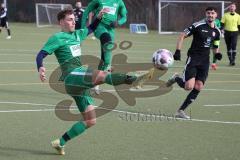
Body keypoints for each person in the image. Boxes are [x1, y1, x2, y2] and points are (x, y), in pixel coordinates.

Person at [36, 8, 152, 155]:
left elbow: (91, 28)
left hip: (77, 84)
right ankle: (134, 80)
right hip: (72, 76)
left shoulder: (78, 34)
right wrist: (40, 67)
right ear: (61, 22)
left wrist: (98, 17)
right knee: (102, 74)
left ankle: (60, 142)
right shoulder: (57, 37)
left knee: (90, 120)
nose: (74, 21)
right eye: (70, 19)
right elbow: (41, 54)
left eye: (74, 19)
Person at [166, 7, 222, 119]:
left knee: (199, 86)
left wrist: (217, 54)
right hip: (194, 58)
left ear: (216, 15)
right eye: (208, 13)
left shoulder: (217, 31)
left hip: (205, 61)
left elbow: (215, 46)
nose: (210, 15)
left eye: (212, 13)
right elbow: (182, 35)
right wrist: (178, 51)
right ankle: (176, 78)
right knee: (188, 87)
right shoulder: (198, 25)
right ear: (206, 14)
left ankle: (180, 111)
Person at [81, 0, 127, 72]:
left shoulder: (119, 1)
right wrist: (82, 28)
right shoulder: (98, 1)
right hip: (99, 26)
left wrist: (118, 23)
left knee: (106, 52)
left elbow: (124, 17)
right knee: (107, 40)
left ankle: (100, 72)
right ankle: (106, 67)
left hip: (111, 29)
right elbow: (86, 11)